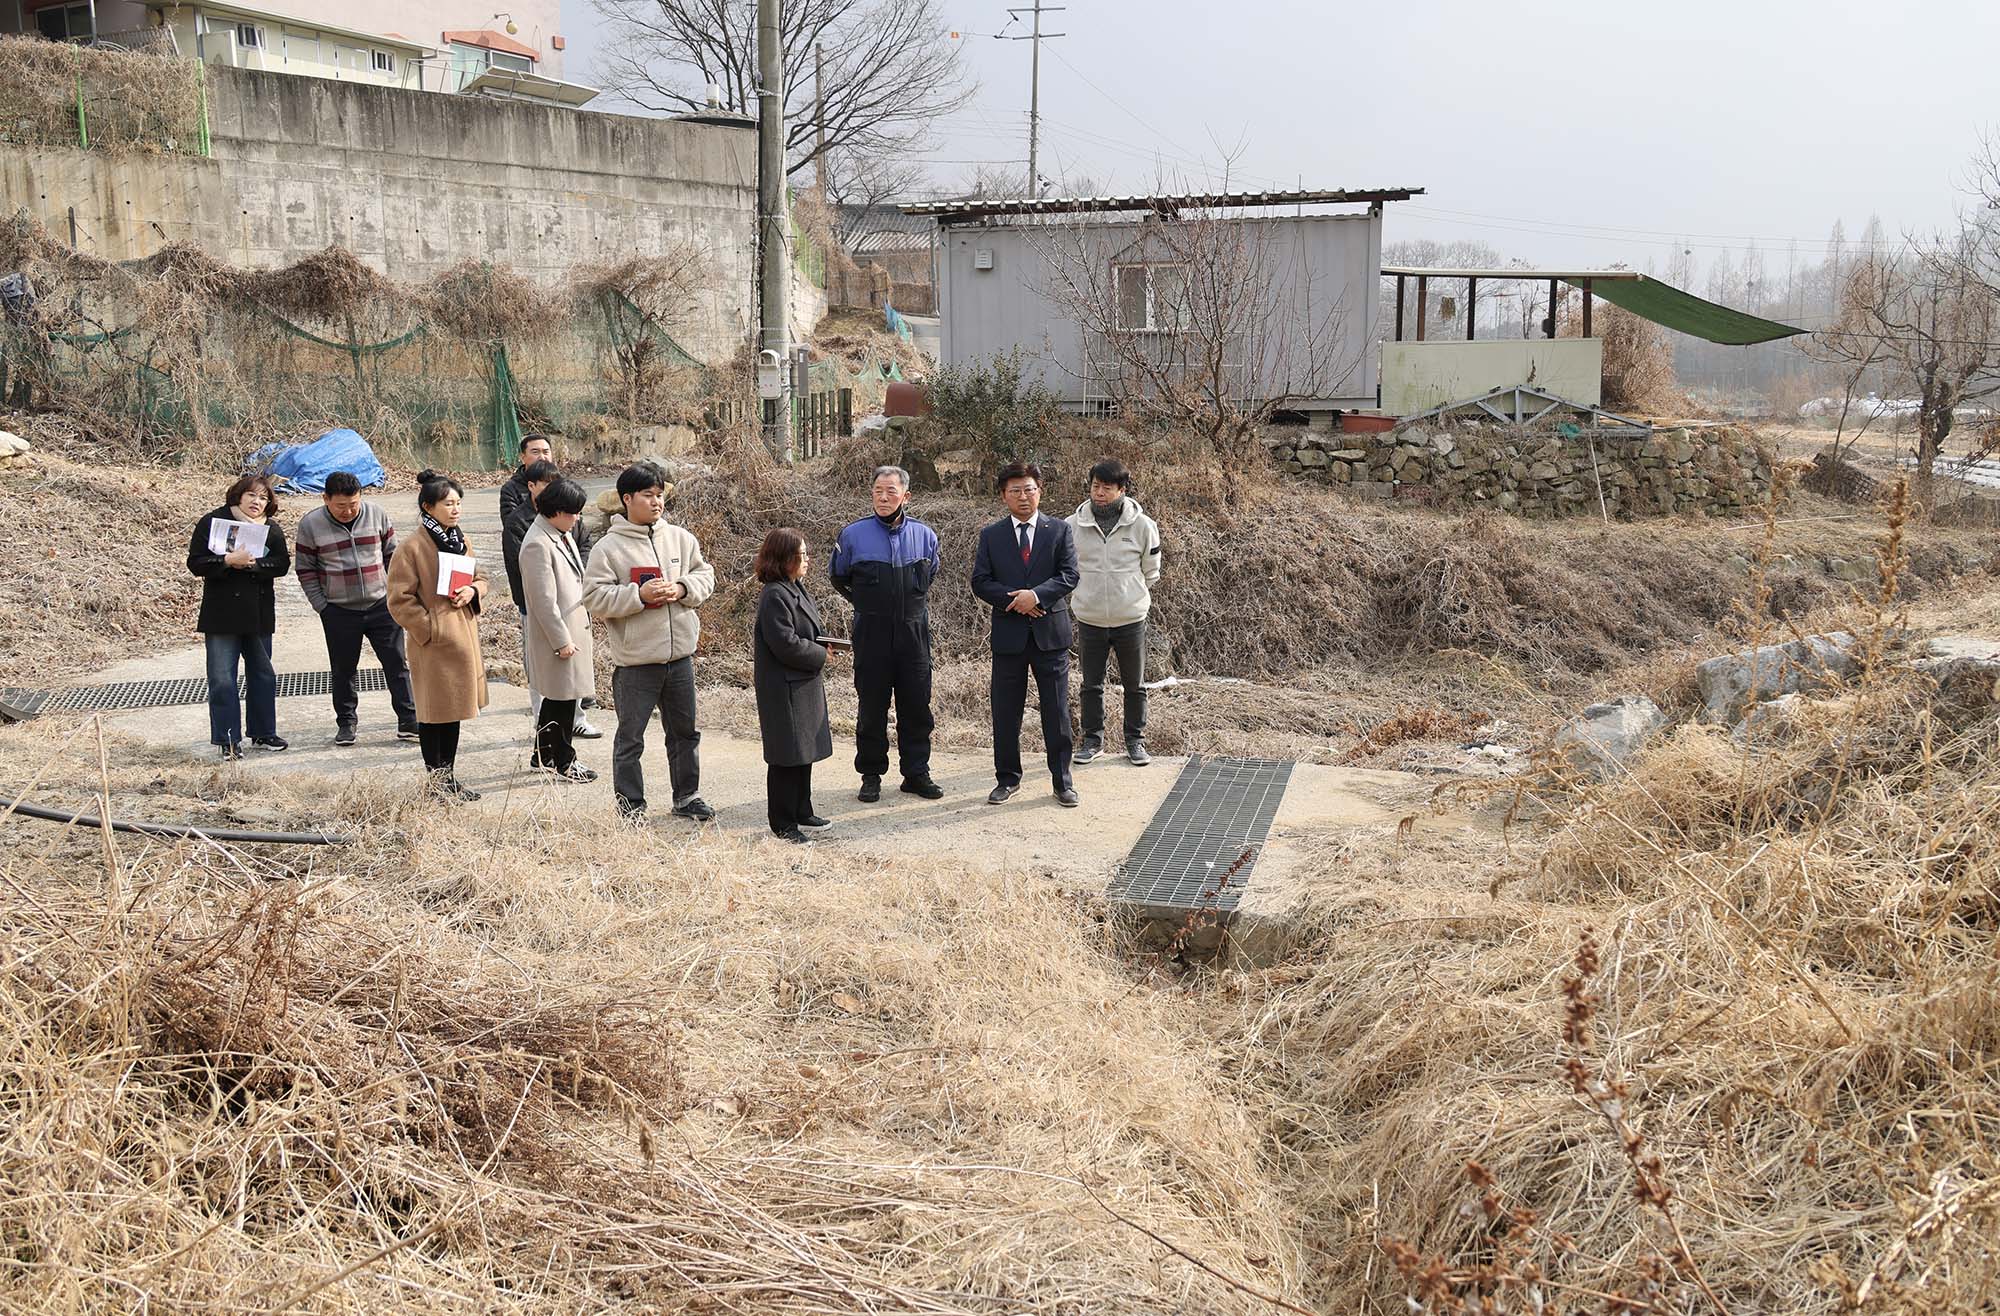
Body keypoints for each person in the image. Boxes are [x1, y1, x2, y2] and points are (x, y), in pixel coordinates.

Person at [583, 463, 717, 823]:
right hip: (636, 663)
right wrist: (638, 595)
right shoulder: (608, 548)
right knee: (631, 739)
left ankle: (687, 796)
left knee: (685, 733)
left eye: (659, 495)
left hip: (680, 659)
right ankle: (631, 807)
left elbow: (705, 575)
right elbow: (594, 598)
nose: (656, 502)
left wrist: (682, 588)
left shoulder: (680, 538)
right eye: (647, 495)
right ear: (627, 499)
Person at [970, 461, 1081, 807]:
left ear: (1040, 491)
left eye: (1029, 489)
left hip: (1050, 636)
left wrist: (1037, 596)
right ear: (1004, 495)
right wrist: (1017, 601)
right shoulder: (991, 535)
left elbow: (1069, 575)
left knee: (1057, 711)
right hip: (1009, 636)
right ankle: (1007, 779)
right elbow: (981, 581)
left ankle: (1062, 781)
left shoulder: (1059, 530)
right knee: (1005, 712)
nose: (1023, 496)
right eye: (1015, 490)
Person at [830, 465, 942, 803]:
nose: (883, 497)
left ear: (905, 496)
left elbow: (931, 574)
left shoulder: (925, 535)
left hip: (913, 634)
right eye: (878, 490)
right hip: (872, 633)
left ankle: (916, 773)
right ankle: (871, 774)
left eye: (891, 491)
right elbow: (839, 577)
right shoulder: (853, 535)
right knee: (871, 706)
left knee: (916, 705)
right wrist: (866, 604)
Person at [385, 470, 490, 801]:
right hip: (432, 643)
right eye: (448, 503)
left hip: (462, 638)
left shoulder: (461, 540)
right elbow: (399, 599)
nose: (455, 509)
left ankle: (449, 777)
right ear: (428, 507)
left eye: (458, 503)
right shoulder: (411, 547)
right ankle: (436, 781)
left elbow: (481, 576)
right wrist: (429, 627)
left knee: (454, 710)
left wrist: (473, 591)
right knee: (433, 713)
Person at [294, 471, 419, 746]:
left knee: (397, 664)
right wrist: (322, 606)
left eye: (354, 504)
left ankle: (409, 720)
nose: (348, 511)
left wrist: (396, 593)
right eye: (340, 506)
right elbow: (305, 569)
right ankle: (346, 723)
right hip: (338, 609)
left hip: (381, 604)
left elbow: (393, 557)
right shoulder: (311, 524)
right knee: (343, 669)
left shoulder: (376, 514)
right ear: (325, 499)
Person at [1065, 458, 1163, 767]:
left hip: (1129, 618)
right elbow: (1067, 568)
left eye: (1107, 488)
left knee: (1134, 684)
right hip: (1090, 617)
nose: (1100, 493)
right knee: (1090, 684)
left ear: (1122, 490)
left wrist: (1130, 594)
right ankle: (1092, 740)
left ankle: (1135, 741)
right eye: (1095, 486)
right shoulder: (1072, 525)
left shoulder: (1143, 526)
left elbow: (1151, 570)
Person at [186, 474, 291, 760]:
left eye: (263, 498)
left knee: (263, 674)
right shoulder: (213, 522)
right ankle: (228, 739)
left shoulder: (270, 529)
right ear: (238, 496)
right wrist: (225, 561)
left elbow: (282, 564)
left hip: (257, 612)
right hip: (221, 613)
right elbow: (195, 562)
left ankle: (263, 732)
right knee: (222, 677)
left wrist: (257, 565)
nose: (257, 503)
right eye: (252, 496)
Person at [502, 459, 598, 750]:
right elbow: (543, 600)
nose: (577, 518)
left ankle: (543, 756)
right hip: (558, 634)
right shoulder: (536, 543)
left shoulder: (559, 532)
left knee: (563, 699)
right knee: (560, 701)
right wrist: (561, 640)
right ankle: (563, 758)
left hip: (571, 628)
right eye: (573, 512)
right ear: (556, 511)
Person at [753, 528, 837, 842]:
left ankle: (803, 810)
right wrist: (819, 654)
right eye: (801, 555)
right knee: (786, 757)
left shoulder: (795, 587)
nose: (806, 560)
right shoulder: (774, 593)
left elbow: (807, 631)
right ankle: (783, 823)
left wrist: (825, 643)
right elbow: (784, 643)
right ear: (784, 558)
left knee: (803, 751)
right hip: (783, 687)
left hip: (802, 682)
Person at [497, 433, 555, 526]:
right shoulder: (511, 489)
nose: (542, 457)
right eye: (535, 452)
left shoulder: (561, 484)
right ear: (523, 457)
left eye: (546, 452)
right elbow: (512, 526)